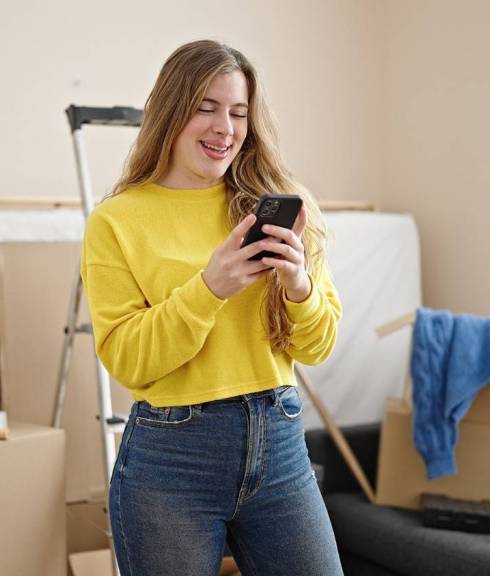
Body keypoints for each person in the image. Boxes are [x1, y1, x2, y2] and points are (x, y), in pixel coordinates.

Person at [80, 39, 344, 576]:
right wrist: (210, 288)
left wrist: (298, 285)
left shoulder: (281, 203)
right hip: (170, 461)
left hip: (281, 447)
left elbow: (318, 346)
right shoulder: (117, 221)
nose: (225, 127)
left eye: (238, 112)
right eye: (206, 107)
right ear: (170, 111)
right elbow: (128, 360)